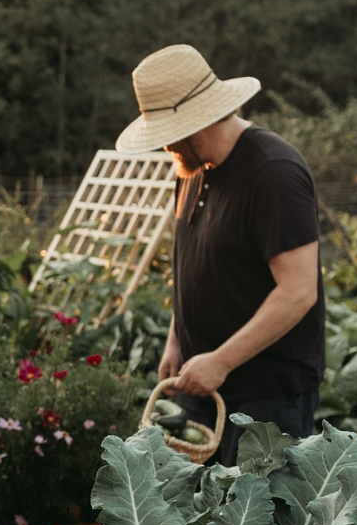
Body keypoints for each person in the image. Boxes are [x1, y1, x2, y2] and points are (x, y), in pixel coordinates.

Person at [117, 43, 324, 466]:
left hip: (265, 402)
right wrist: (177, 340)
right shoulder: (192, 170)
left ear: (194, 124)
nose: (163, 148)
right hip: (202, 385)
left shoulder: (273, 172)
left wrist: (221, 361)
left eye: (166, 136)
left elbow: (299, 291)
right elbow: (195, 265)